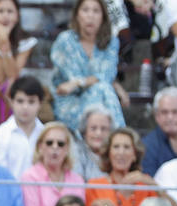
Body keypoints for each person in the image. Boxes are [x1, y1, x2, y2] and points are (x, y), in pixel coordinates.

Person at [51, 0, 126, 134]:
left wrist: (78, 83)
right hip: (71, 102)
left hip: (101, 99)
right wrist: (112, 85)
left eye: (96, 11)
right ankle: (120, 137)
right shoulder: (65, 40)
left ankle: (115, 139)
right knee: (102, 88)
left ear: (103, 17)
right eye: (85, 10)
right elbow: (73, 77)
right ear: (77, 15)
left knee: (101, 88)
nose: (90, 16)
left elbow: (106, 75)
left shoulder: (112, 42)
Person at [85, 126, 160, 206]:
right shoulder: (95, 185)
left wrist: (155, 186)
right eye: (116, 147)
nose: (121, 153)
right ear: (108, 153)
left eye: (126, 147)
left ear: (135, 155)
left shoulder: (146, 183)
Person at [21, 121, 85, 206]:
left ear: (67, 149)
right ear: (40, 147)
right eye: (49, 143)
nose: (55, 147)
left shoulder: (77, 180)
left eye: (60, 144)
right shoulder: (30, 176)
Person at [0, 75, 45, 180]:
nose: (25, 107)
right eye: (20, 101)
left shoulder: (46, 135)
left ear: (40, 104)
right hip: (9, 194)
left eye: (31, 102)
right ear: (11, 102)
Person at [140, 87, 177, 177]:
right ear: (156, 116)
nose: (170, 117)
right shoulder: (146, 146)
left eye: (175, 112)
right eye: (164, 112)